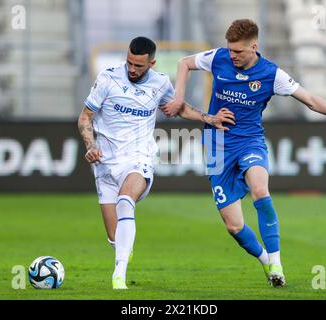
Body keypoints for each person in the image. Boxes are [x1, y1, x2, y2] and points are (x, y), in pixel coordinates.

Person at [162, 19, 326, 287]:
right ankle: (265, 259)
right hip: (217, 146)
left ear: (253, 47)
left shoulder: (271, 74)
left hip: (249, 141)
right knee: (233, 226)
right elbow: (185, 62)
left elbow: (310, 99)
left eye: (238, 52)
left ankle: (277, 263)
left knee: (260, 190)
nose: (232, 56)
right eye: (230, 50)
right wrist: (179, 97)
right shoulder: (219, 58)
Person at [78, 37, 235, 290]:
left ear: (152, 63)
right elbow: (85, 116)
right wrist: (91, 145)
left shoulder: (160, 82)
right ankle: (122, 252)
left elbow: (178, 108)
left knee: (125, 200)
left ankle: (118, 276)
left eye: (138, 66)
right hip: (105, 163)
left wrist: (209, 118)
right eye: (129, 62)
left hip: (139, 157)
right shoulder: (108, 79)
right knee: (114, 238)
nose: (131, 69)